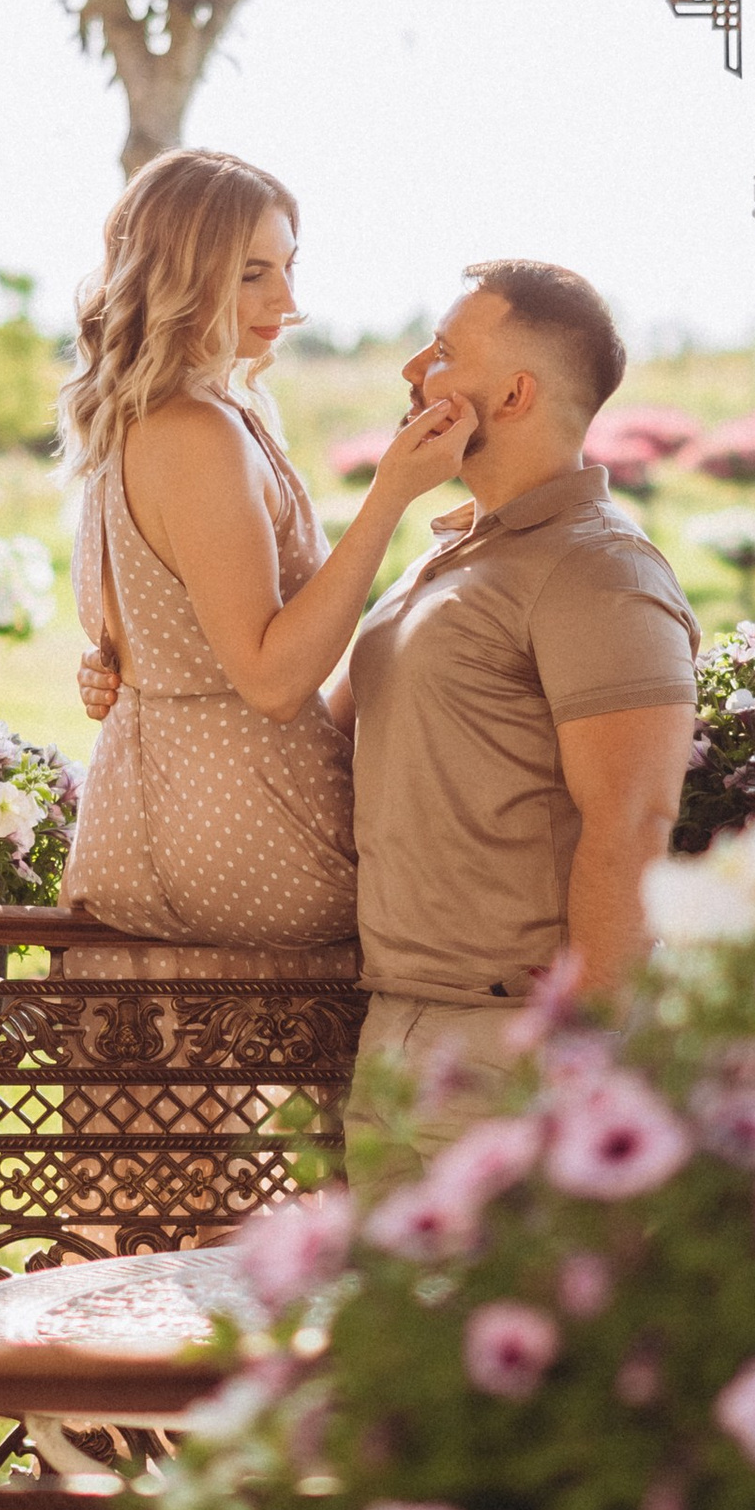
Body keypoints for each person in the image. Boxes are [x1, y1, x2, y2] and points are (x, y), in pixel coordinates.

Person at [61, 146, 474, 956]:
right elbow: (275, 680)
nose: (288, 300)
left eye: (287, 266)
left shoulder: (155, 418)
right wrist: (390, 496)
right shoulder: (198, 432)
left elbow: (173, 631)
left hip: (154, 824)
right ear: (179, 275)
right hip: (244, 832)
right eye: (252, 273)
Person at [331, 257, 698, 1104]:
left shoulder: (602, 573)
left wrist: (587, 1062)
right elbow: (327, 734)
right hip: (397, 1029)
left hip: (515, 1044)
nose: (412, 372)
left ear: (514, 396)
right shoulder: (448, 554)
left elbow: (634, 822)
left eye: (442, 352)